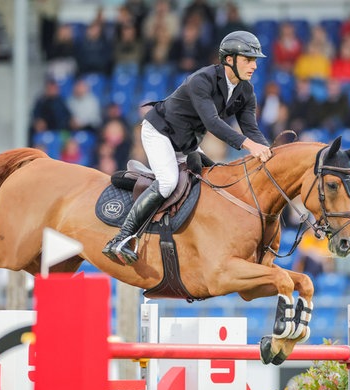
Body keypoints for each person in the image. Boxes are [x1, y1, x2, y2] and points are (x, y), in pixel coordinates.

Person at [102, 31, 271, 264]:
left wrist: (271, 154)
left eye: (255, 61)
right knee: (169, 181)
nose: (253, 66)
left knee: (214, 178)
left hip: (187, 142)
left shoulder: (246, 91)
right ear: (229, 59)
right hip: (160, 132)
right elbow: (213, 123)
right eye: (248, 59)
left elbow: (251, 130)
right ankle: (121, 238)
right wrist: (250, 146)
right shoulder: (202, 80)